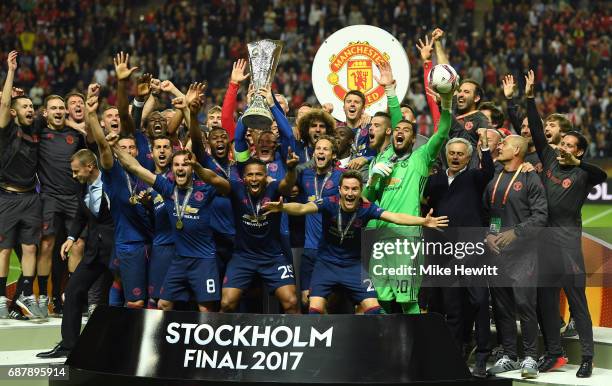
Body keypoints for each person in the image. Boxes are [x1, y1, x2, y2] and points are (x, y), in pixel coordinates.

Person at [263, 170, 449, 314]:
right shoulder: (329, 203)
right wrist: (283, 207)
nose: (350, 193)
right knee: (314, 311)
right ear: (340, 190)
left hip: (354, 266)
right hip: (326, 264)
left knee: (374, 309)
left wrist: (423, 221)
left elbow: (395, 217)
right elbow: (303, 208)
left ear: (360, 191)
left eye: (354, 189)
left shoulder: (367, 208)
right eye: (346, 188)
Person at [524, 70, 607, 378]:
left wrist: (579, 164)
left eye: (572, 145)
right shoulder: (547, 159)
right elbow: (534, 129)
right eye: (564, 144)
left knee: (577, 303)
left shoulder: (584, 174)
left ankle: (588, 357)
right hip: (543, 247)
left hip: (568, 247)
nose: (565, 148)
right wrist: (530, 98)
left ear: (580, 150)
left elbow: (603, 176)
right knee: (546, 302)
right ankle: (554, 353)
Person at [363, 84, 454, 314]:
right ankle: (382, 346)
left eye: (406, 129)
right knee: (380, 298)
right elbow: (365, 201)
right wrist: (373, 179)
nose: (399, 131)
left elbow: (442, 131)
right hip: (379, 237)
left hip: (406, 238)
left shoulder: (420, 159)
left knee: (407, 300)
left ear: (413, 139)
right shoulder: (380, 162)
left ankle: (417, 347)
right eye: (397, 129)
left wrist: (445, 102)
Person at [424, 130, 495, 377]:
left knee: (479, 300)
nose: (455, 157)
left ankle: (483, 355)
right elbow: (425, 205)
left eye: (460, 155)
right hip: (442, 249)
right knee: (452, 304)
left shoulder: (475, 177)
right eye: (452, 153)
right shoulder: (434, 181)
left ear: (468, 158)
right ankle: (455, 355)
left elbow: (489, 173)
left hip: (471, 245)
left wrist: (484, 150)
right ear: (446, 156)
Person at [36, 149, 114, 358]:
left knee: (120, 299)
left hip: (117, 250)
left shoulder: (112, 183)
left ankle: (117, 348)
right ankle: (70, 345)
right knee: (73, 291)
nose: (73, 175)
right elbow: (80, 215)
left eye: (76, 171)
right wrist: (70, 239)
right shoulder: (81, 186)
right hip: (94, 251)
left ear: (90, 166)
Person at [483, 135, 548, 379]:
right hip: (497, 254)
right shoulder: (495, 177)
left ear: (517, 149)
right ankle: (509, 355)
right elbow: (490, 213)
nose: (499, 146)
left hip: (524, 254)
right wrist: (489, 234)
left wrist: (516, 233)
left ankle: (530, 356)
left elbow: (541, 216)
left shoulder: (530, 177)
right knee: (502, 307)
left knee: (525, 306)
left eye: (504, 144)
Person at [220, 156, 300, 314]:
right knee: (227, 303)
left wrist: (291, 169)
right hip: (243, 257)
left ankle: (300, 337)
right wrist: (196, 166)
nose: (254, 178)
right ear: (244, 178)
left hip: (273, 257)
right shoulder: (236, 189)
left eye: (259, 174)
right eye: (250, 175)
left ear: (266, 176)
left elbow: (287, 184)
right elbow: (215, 180)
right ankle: (219, 338)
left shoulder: (274, 188)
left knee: (291, 302)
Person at [0, 51, 44, 319]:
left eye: (31, 106)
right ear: (14, 113)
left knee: (30, 248)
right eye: (25, 107)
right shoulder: (6, 130)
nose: (30, 110)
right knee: (4, 249)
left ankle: (27, 292)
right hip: (7, 197)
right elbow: (6, 105)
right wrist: (11, 71)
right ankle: (0, 299)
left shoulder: (36, 129)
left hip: (31, 198)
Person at [36, 95, 87, 317]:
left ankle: (74, 298)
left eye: (61, 108)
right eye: (53, 108)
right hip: (50, 197)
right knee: (47, 245)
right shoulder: (39, 133)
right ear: (45, 112)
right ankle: (45, 298)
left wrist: (72, 123)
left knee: (77, 246)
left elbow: (90, 141)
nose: (58, 111)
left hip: (74, 198)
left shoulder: (75, 135)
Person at [295, 135, 343, 308]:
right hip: (310, 249)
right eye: (318, 148)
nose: (321, 152)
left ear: (333, 155)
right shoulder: (305, 174)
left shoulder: (341, 177)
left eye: (326, 149)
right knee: (305, 300)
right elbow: (289, 187)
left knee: (328, 302)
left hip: (332, 250)